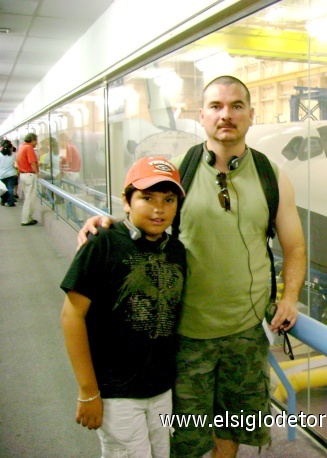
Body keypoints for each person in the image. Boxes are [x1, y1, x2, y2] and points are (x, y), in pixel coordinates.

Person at [78, 75, 307, 457]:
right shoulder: (181, 173)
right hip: (185, 333)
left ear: (251, 115)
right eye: (216, 106)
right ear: (201, 116)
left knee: (230, 425)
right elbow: (151, 213)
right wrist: (107, 224)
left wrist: (291, 297)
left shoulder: (272, 177)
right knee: (184, 436)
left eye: (236, 106)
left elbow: (295, 246)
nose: (226, 115)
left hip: (246, 333)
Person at [61, 156, 187, 457]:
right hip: (117, 391)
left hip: (160, 388)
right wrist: (88, 391)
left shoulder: (175, 250)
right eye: (147, 198)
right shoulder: (102, 244)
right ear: (126, 201)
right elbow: (71, 316)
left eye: (168, 199)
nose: (159, 208)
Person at [15, 132, 39, 226]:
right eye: (36, 141)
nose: (36, 143)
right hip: (29, 175)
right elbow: (32, 162)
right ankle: (26, 219)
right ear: (32, 140)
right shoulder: (29, 148)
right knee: (30, 198)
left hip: (23, 175)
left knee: (27, 197)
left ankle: (29, 218)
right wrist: (37, 173)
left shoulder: (22, 147)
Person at [0, 139, 18, 207]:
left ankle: (3, 201)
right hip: (11, 173)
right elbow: (16, 164)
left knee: (3, 188)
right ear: (10, 148)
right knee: (10, 188)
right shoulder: (14, 155)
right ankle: (11, 202)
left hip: (2, 174)